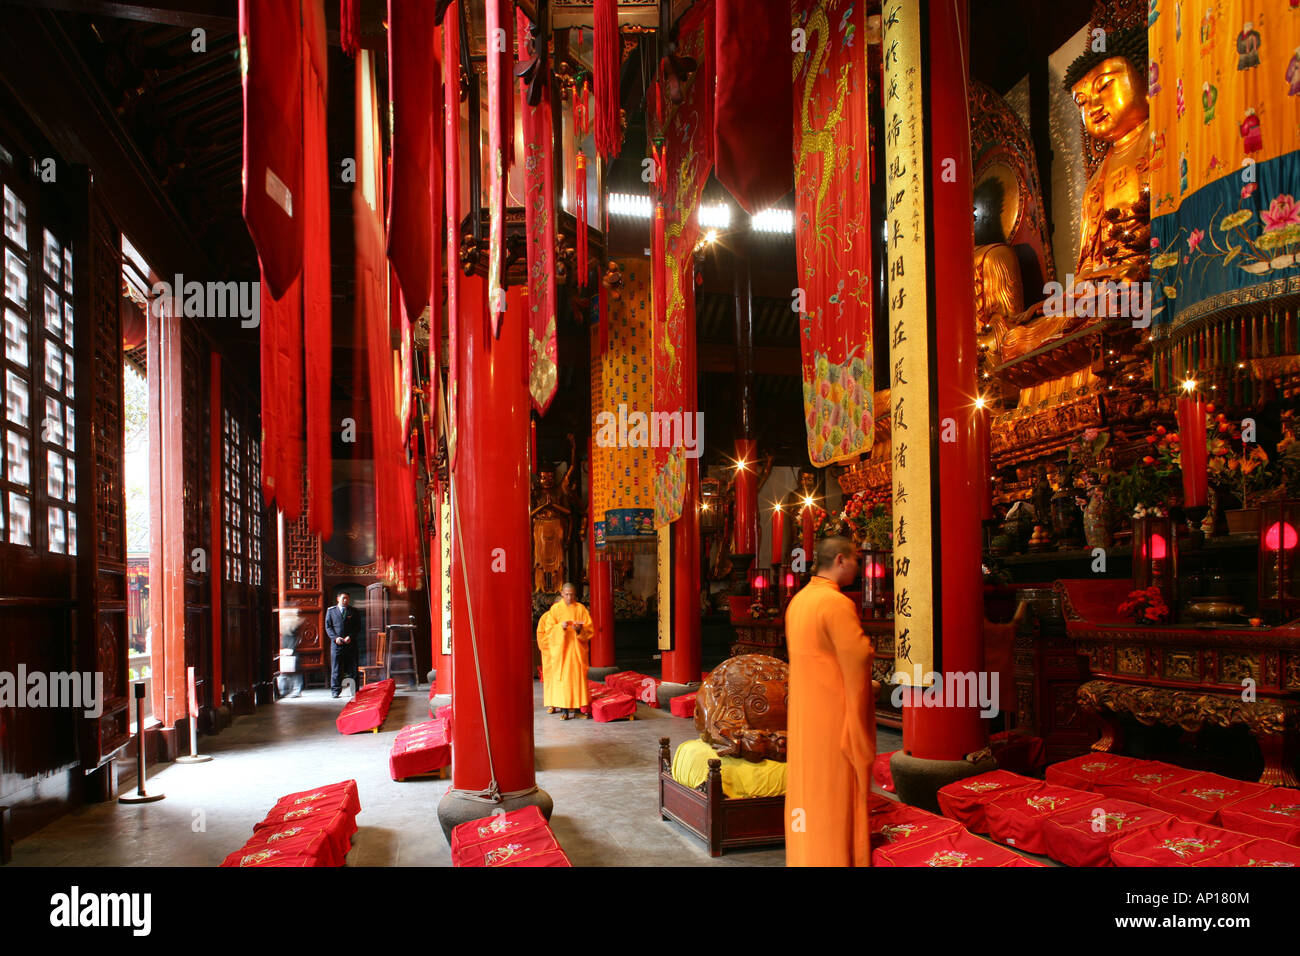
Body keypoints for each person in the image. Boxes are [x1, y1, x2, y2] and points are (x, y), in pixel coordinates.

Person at [784, 536, 876, 866]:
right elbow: (858, 655)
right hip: (833, 717)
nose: (858, 565)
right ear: (839, 560)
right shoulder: (836, 604)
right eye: (855, 559)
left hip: (805, 714)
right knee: (832, 792)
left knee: (807, 788)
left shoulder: (799, 601)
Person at [535, 583, 594, 719]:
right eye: (566, 594)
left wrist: (579, 629)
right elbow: (548, 631)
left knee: (577, 681)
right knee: (564, 683)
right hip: (561, 653)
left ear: (575, 594)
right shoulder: (555, 610)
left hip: (576, 651)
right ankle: (565, 711)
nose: (569, 597)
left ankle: (579, 709)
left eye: (572, 594)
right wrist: (560, 627)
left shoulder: (581, 609)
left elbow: (589, 630)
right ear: (562, 594)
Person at [325, 590, 361, 698]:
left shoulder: (353, 611)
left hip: (351, 644)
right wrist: (335, 638)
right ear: (338, 599)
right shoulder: (331, 611)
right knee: (336, 668)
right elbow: (328, 627)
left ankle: (355, 691)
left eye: (347, 598)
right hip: (337, 645)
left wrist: (350, 636)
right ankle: (335, 691)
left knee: (353, 668)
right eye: (343, 598)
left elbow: (357, 627)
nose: (345, 600)